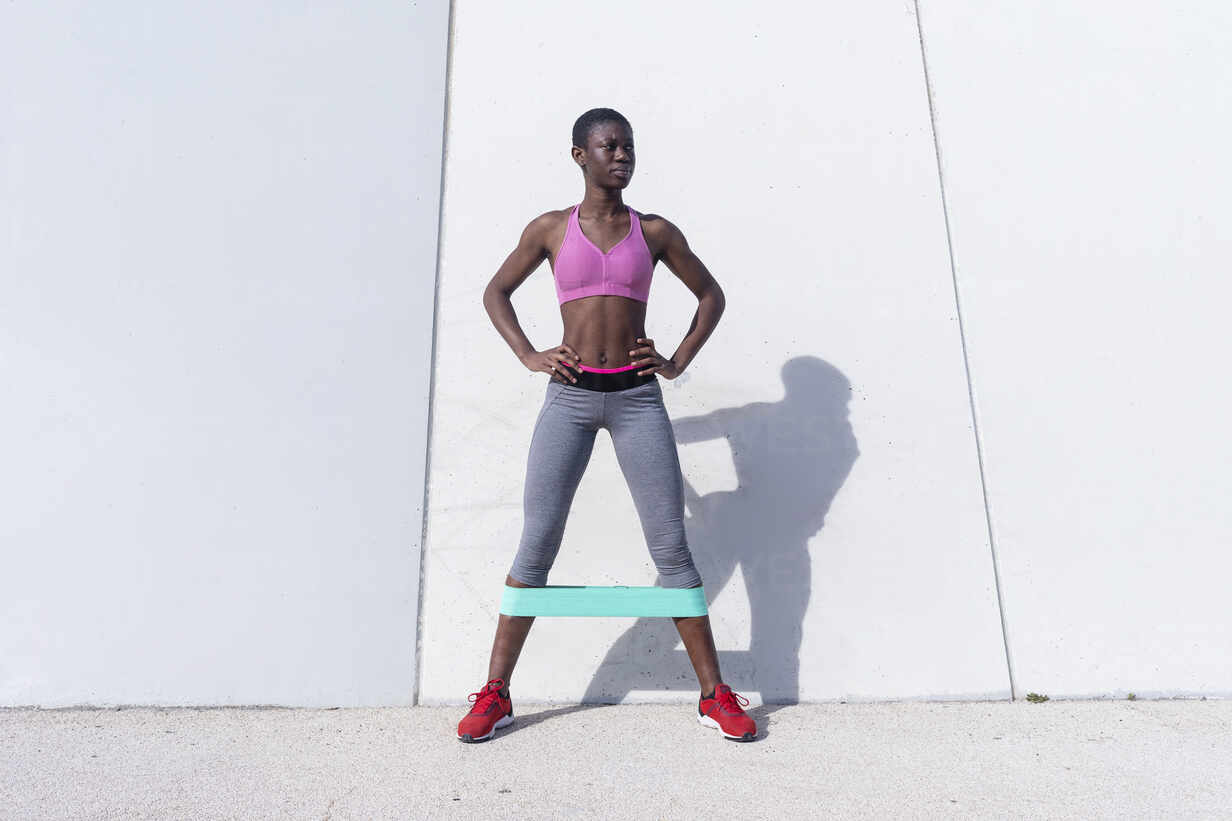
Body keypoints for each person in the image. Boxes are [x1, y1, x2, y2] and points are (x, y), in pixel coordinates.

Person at [457, 108, 756, 743]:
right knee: (536, 544)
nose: (620, 155)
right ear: (579, 155)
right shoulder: (549, 229)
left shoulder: (654, 231)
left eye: (628, 146)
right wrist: (529, 354)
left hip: (636, 400)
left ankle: (713, 694)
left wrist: (674, 362)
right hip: (568, 400)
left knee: (671, 549)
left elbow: (712, 296)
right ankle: (497, 693)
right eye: (607, 145)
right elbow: (495, 293)